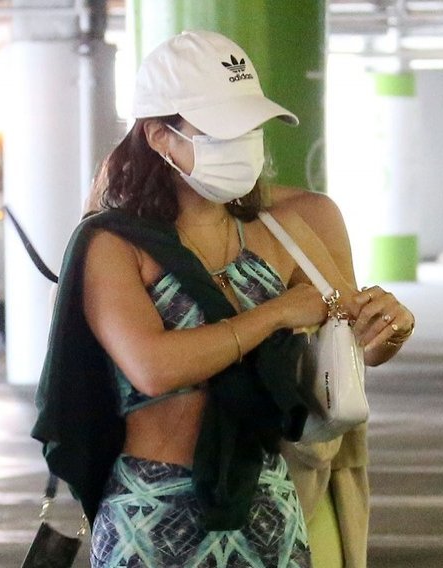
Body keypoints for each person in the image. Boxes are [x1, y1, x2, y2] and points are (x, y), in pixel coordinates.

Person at [31, 30, 415, 568]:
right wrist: (277, 313)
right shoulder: (112, 244)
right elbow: (153, 367)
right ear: (160, 137)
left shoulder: (281, 232)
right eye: (220, 130)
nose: (243, 144)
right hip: (152, 506)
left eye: (250, 128)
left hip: (266, 499)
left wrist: (391, 326)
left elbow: (357, 344)